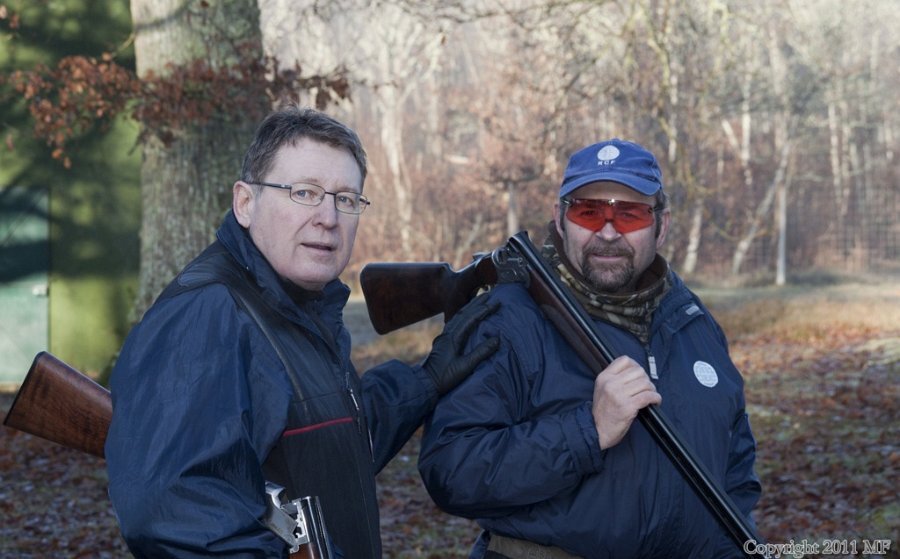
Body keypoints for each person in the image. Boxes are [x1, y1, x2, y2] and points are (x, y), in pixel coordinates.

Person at [105, 105, 498, 558]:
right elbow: (179, 521)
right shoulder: (206, 313)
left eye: (346, 199)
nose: (328, 217)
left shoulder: (300, 305)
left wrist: (425, 380)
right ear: (245, 203)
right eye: (305, 193)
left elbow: (323, 444)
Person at [418, 139, 762, 559]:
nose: (609, 232)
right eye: (588, 212)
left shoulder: (693, 322)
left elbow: (735, 476)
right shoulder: (506, 321)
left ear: (662, 225)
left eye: (630, 214)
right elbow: (451, 471)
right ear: (560, 219)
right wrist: (588, 431)